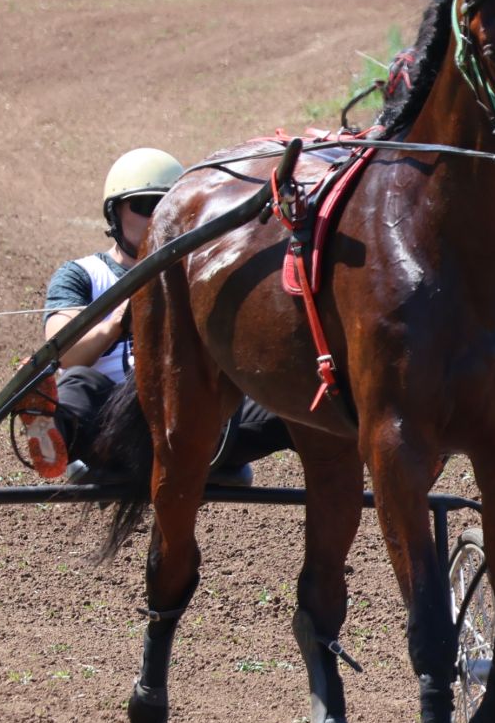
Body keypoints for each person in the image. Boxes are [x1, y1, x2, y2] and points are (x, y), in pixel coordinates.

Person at [15, 149, 293, 483]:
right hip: (111, 419)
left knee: (290, 403)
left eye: (167, 206)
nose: (158, 218)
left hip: (195, 418)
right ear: (114, 213)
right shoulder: (82, 274)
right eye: (146, 206)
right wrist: (117, 323)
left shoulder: (204, 276)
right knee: (78, 383)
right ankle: (50, 425)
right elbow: (66, 353)